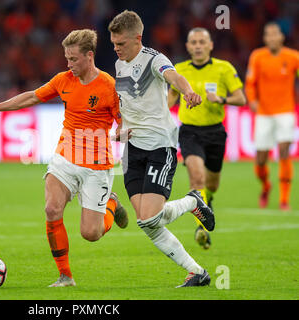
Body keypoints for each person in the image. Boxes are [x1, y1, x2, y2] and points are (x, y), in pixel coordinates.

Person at [0, 29, 129, 287]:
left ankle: (111, 204)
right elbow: (33, 96)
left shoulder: (109, 86)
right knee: (52, 208)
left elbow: (124, 121)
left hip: (96, 165)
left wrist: (123, 131)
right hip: (64, 158)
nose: (69, 64)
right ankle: (65, 276)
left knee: (91, 233)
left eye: (74, 59)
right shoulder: (63, 79)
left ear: (89, 56)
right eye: (66, 58)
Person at [108, 10, 215, 287]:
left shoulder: (155, 60)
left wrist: (188, 90)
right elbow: (127, 104)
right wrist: (119, 130)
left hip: (159, 146)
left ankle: (193, 201)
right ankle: (197, 272)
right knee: (146, 221)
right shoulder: (119, 66)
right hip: (131, 149)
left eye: (121, 43)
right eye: (114, 43)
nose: (116, 48)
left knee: (150, 216)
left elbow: (174, 77)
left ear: (137, 38)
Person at [167, 27, 246, 250]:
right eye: (194, 42)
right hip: (190, 132)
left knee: (211, 183)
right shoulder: (179, 70)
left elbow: (241, 98)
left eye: (203, 42)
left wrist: (220, 99)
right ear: (188, 47)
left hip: (215, 133)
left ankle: (206, 201)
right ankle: (201, 227)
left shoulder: (223, 68)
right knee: (197, 178)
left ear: (211, 45)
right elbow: (170, 100)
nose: (198, 46)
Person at [245, 22, 299, 211]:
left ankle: (284, 199)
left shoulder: (293, 57)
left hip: (286, 111)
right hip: (264, 113)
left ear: (281, 37)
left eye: (275, 34)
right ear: (265, 38)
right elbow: (250, 83)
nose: (272, 37)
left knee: (284, 151)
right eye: (268, 35)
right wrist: (252, 100)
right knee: (260, 159)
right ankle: (266, 186)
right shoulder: (258, 56)